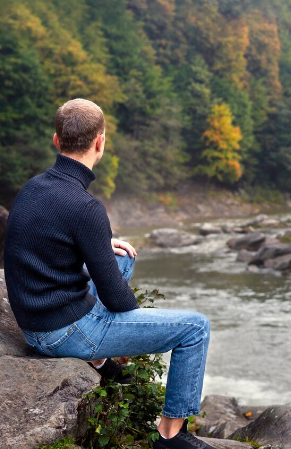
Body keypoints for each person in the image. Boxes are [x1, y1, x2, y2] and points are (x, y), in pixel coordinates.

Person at [4, 98, 214, 449]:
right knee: (195, 328)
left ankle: (100, 360)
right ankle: (171, 436)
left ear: (57, 141)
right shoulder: (86, 206)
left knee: (122, 256)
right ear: (100, 142)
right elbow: (117, 299)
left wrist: (102, 244)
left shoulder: (32, 188)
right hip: (60, 331)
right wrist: (131, 333)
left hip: (33, 317)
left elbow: (45, 240)